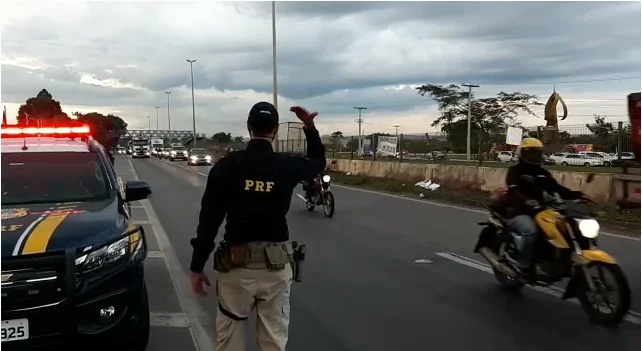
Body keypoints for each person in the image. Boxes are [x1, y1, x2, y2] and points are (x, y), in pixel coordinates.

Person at [189, 102, 326, 351]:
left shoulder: (227, 166)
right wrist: (309, 127)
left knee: (229, 340)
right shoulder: (285, 165)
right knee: (273, 341)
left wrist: (197, 267)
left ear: (249, 127)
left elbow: (209, 221)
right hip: (275, 267)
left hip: (236, 266)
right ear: (274, 130)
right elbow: (317, 162)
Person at [504, 138, 586, 277]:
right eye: (529, 153)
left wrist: (578, 195)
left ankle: (555, 260)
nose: (533, 156)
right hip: (518, 211)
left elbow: (558, 189)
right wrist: (527, 201)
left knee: (563, 227)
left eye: (536, 153)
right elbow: (514, 190)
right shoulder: (515, 171)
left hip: (541, 210)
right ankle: (524, 266)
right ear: (522, 154)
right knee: (531, 232)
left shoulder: (542, 173)